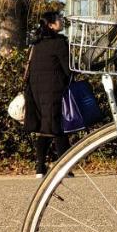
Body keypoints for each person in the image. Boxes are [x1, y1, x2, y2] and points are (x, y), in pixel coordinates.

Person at [23, 10, 72, 178]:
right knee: (55, 127)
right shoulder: (59, 43)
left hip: (35, 91)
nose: (61, 20)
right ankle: (61, 167)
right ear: (51, 25)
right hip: (54, 90)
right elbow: (68, 69)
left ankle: (42, 168)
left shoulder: (36, 44)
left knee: (48, 127)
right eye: (58, 19)